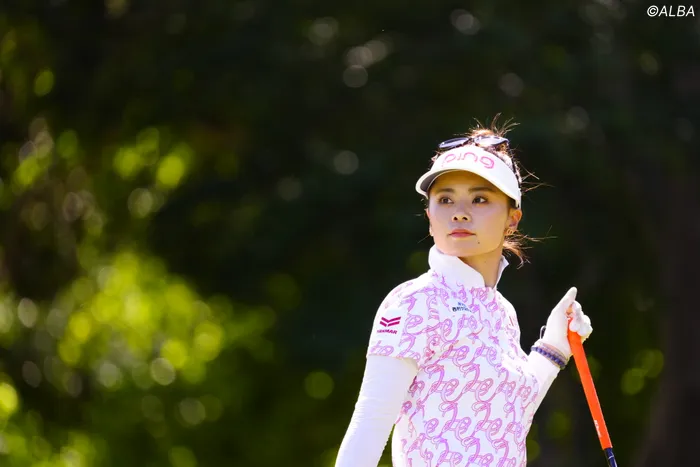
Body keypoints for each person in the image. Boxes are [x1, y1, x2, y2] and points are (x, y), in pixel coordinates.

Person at [334, 122, 593, 467]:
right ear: (429, 217)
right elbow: (371, 422)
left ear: (513, 218)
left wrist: (555, 346)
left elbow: (509, 417)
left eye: (480, 199)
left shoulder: (502, 312)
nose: (459, 212)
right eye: (445, 199)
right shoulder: (415, 301)